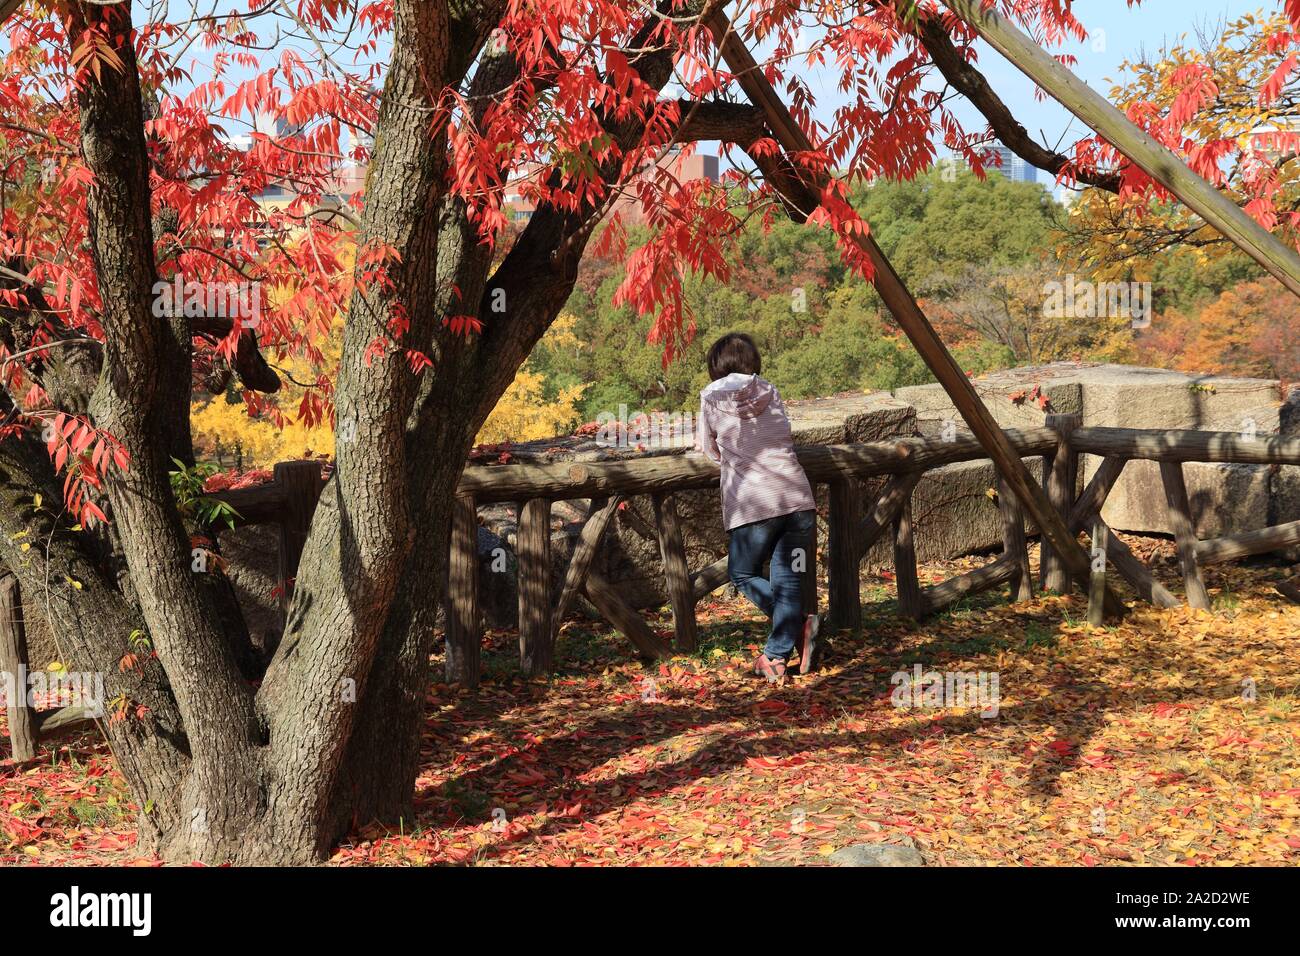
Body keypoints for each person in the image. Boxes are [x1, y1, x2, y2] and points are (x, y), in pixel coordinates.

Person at [693, 332, 820, 683]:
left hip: (754, 505)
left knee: (743, 573)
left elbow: (708, 449)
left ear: (716, 365)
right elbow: (783, 433)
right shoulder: (770, 389)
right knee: (790, 583)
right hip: (797, 500)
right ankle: (778, 655)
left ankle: (794, 630)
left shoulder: (711, 397)